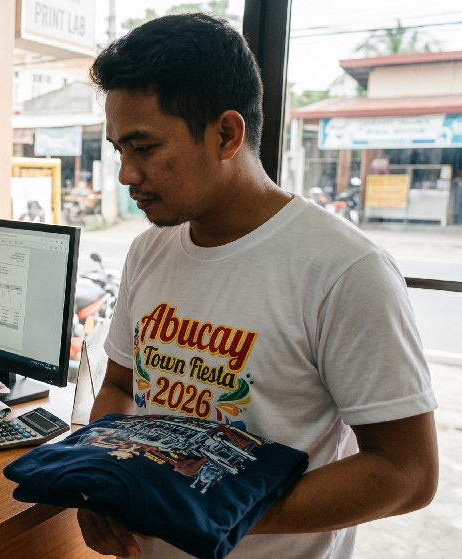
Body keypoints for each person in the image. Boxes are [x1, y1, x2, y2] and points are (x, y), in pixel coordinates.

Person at [80, 14, 438, 559]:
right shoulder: (148, 250)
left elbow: (406, 472)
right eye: (118, 150)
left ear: (226, 134)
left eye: (144, 147)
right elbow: (121, 389)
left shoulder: (344, 269)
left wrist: (213, 509)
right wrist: (100, 478)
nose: (126, 173)